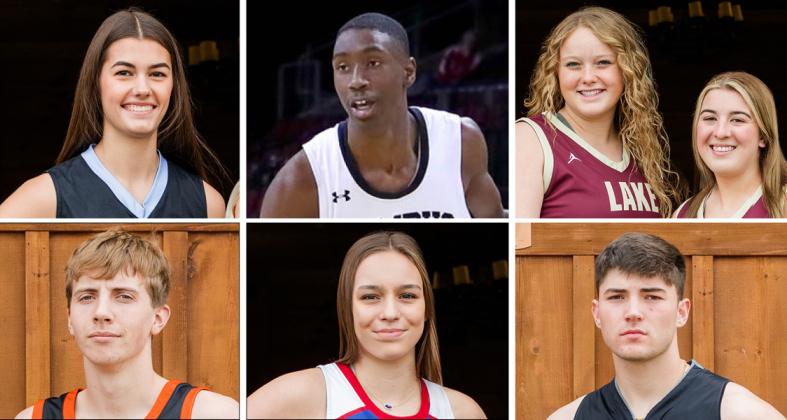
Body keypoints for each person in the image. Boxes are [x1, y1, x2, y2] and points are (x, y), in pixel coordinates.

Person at [260, 13, 503, 218]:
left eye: (372, 63)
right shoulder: (300, 179)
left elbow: (498, 225)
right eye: (343, 67)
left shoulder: (461, 141)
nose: (356, 81)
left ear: (408, 72)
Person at [0, 8, 227, 218]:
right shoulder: (43, 198)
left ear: (174, 87)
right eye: (124, 73)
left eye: (157, 74)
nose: (143, 89)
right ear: (96, 83)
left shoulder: (209, 204)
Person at [247, 231, 486, 418]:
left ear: (426, 309)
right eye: (370, 297)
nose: (390, 313)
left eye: (407, 296)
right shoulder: (300, 394)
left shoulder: (462, 412)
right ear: (347, 309)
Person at [548, 232, 785, 419]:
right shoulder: (569, 417)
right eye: (617, 297)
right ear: (597, 313)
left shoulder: (739, 413)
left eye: (652, 296)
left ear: (682, 312)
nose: (633, 312)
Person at [14, 230, 238, 419]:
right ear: (70, 319)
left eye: (123, 296)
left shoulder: (210, 413)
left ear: (158, 318)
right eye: (87, 297)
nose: (101, 312)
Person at [516, 7, 682, 218]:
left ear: (627, 70)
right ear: (555, 73)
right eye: (573, 64)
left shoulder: (643, 150)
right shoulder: (530, 139)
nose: (588, 77)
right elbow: (519, 245)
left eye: (603, 63)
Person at [675, 72, 787, 218]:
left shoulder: (783, 203)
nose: (721, 132)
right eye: (710, 118)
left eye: (737, 120)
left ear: (763, 136)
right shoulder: (682, 215)